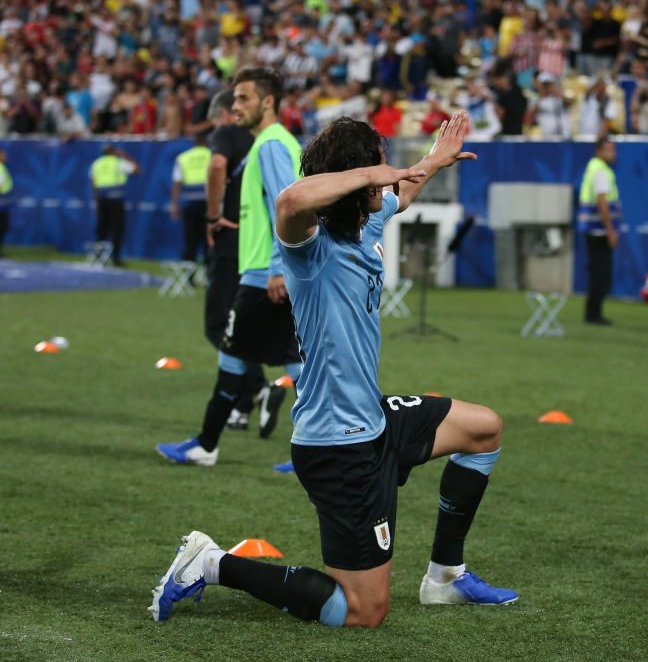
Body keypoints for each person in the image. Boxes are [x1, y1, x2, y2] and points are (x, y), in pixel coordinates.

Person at [149, 111, 518, 628]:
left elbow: (400, 196)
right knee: (363, 612)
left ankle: (445, 577)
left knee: (484, 429)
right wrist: (374, 172)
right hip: (337, 445)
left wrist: (431, 162)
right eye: (377, 169)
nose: (387, 177)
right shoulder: (308, 245)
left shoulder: (366, 219)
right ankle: (211, 563)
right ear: (355, 178)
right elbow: (291, 199)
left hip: (375, 419)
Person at [156, 68, 301, 465]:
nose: (234, 107)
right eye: (234, 100)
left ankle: (206, 444)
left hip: (262, 273)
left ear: (267, 102)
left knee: (233, 355)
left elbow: (286, 205)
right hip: (269, 270)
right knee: (295, 362)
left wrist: (275, 266)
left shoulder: (271, 145)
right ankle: (326, 450)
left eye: (243, 99)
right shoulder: (272, 142)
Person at [203, 91, 267, 433]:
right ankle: (243, 405)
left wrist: (213, 214)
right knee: (245, 321)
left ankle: (256, 386)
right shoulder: (269, 140)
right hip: (260, 244)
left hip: (231, 237)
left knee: (218, 324)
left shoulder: (227, 134)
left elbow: (216, 165)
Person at [578, 137, 621, 325]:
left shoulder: (595, 167)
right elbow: (602, 202)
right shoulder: (600, 171)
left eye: (614, 150)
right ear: (599, 151)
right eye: (609, 150)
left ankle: (593, 313)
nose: (613, 154)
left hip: (594, 230)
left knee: (598, 273)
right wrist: (611, 231)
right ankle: (593, 314)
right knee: (600, 274)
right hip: (598, 231)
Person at [89, 144, 140, 267]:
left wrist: (96, 202)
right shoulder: (119, 162)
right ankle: (116, 258)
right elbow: (136, 170)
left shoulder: (97, 163)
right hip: (116, 200)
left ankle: (100, 257)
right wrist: (125, 156)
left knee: (102, 229)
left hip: (102, 200)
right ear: (113, 152)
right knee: (117, 230)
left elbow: (94, 184)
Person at [171, 132, 212, 264]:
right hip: (209, 204)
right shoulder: (212, 155)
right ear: (206, 143)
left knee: (190, 240)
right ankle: (209, 274)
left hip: (190, 204)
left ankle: (189, 275)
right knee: (209, 239)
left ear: (194, 143)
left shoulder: (183, 158)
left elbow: (177, 183)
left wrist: (174, 204)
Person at [0, 148, 12, 256]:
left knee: (4, 227)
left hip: (3, 201)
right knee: (2, 226)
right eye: (3, 154)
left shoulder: (2, 167)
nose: (5, 156)